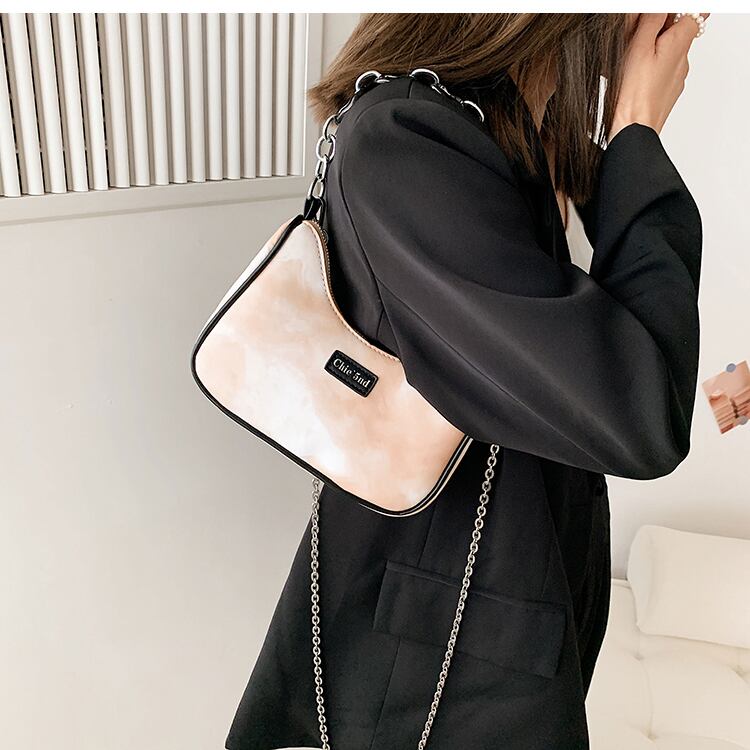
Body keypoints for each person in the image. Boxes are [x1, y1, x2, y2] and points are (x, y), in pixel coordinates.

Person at [225, 12, 707, 749]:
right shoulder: (407, 140)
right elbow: (641, 416)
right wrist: (637, 130)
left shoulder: (483, 131)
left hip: (467, 626)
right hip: (435, 662)